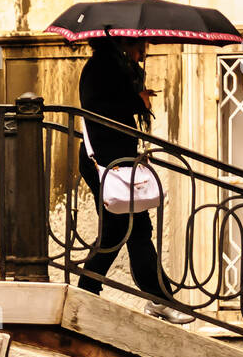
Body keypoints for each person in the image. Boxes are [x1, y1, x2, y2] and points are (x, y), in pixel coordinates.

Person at [76, 35, 193, 323]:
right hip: (104, 162)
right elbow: (96, 110)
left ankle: (93, 292)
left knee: (131, 231)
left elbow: (118, 111)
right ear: (123, 43)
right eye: (140, 44)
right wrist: (134, 100)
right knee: (125, 231)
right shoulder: (99, 68)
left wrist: (137, 96)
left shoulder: (119, 68)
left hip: (121, 161)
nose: (145, 49)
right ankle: (152, 298)